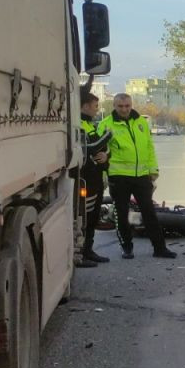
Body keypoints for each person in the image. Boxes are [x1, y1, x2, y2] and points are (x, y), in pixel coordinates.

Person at [99, 93, 176, 259]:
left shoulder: (141, 122)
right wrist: (105, 173)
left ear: (131, 104)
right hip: (118, 177)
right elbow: (101, 151)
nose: (124, 109)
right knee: (121, 214)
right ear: (114, 106)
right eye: (120, 106)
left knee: (149, 213)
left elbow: (148, 147)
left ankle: (160, 248)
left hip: (141, 176)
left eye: (127, 106)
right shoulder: (106, 125)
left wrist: (153, 169)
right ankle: (127, 247)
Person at [77, 90, 111, 267]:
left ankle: (88, 250)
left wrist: (106, 155)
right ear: (84, 106)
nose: (97, 110)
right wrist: (108, 135)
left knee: (93, 217)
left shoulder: (90, 125)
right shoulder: (78, 124)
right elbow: (88, 148)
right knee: (85, 218)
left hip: (96, 179)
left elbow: (102, 149)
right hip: (86, 179)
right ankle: (80, 253)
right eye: (95, 106)